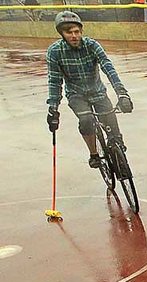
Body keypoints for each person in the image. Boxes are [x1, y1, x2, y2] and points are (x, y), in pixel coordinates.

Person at [46, 11, 133, 169]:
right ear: (62, 34)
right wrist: (53, 108)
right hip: (76, 95)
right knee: (86, 121)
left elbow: (109, 68)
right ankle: (94, 153)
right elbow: (54, 81)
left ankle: (117, 145)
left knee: (110, 118)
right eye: (69, 32)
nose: (74, 36)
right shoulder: (55, 52)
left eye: (77, 32)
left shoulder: (92, 45)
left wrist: (122, 93)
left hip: (97, 91)